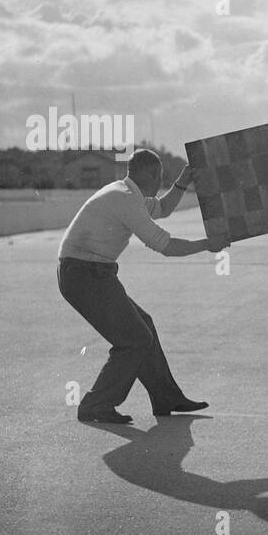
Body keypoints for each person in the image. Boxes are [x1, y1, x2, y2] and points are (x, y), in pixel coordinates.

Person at [57, 149, 227, 424]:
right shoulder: (125, 200)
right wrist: (207, 244)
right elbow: (165, 245)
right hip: (83, 274)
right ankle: (95, 405)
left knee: (143, 325)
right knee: (134, 339)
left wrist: (182, 182)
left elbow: (163, 209)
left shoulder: (127, 193)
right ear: (152, 174)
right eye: (161, 175)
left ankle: (166, 397)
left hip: (91, 272)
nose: (162, 180)